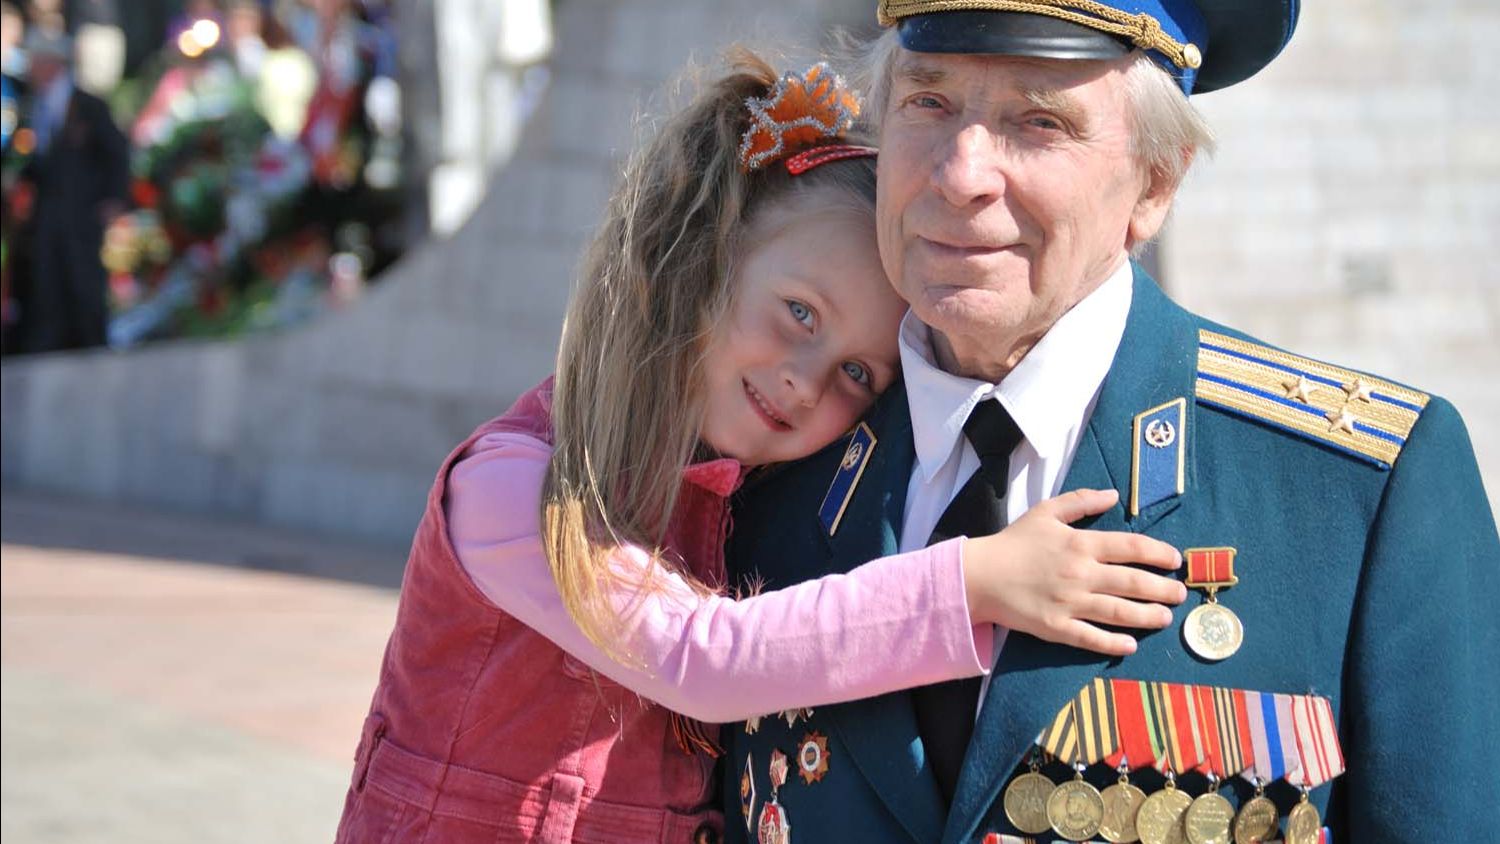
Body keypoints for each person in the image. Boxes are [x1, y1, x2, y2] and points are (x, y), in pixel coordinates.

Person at [335, 50, 1191, 844]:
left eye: (858, 372)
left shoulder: (754, 498)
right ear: (702, 265)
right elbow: (702, 658)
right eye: (799, 314)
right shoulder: (516, 488)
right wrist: (973, 581)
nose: (806, 382)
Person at [723, 3, 1500, 843]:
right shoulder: (767, 478)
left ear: (1155, 184)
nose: (960, 172)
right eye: (928, 102)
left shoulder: (1354, 492)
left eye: (1039, 120)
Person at [10, 28, 128, 353]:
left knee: (84, 282)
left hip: (82, 212)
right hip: (48, 216)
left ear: (52, 64)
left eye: (36, 62)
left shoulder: (88, 106)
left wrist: (114, 199)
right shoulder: (32, 108)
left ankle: (93, 346)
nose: (31, 70)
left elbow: (117, 153)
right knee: (48, 283)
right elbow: (33, 162)